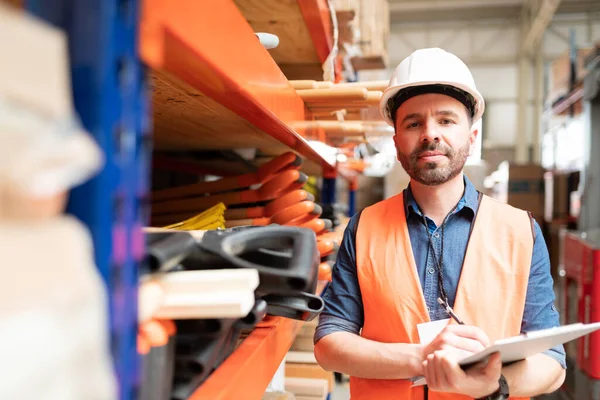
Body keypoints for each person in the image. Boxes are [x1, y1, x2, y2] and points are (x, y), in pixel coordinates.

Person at [313, 48, 566, 400]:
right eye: (413, 123)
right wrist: (423, 358)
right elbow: (329, 344)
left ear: (471, 138)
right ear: (397, 143)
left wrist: (492, 383)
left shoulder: (520, 231)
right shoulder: (365, 227)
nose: (430, 134)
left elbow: (551, 362)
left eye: (446, 120)